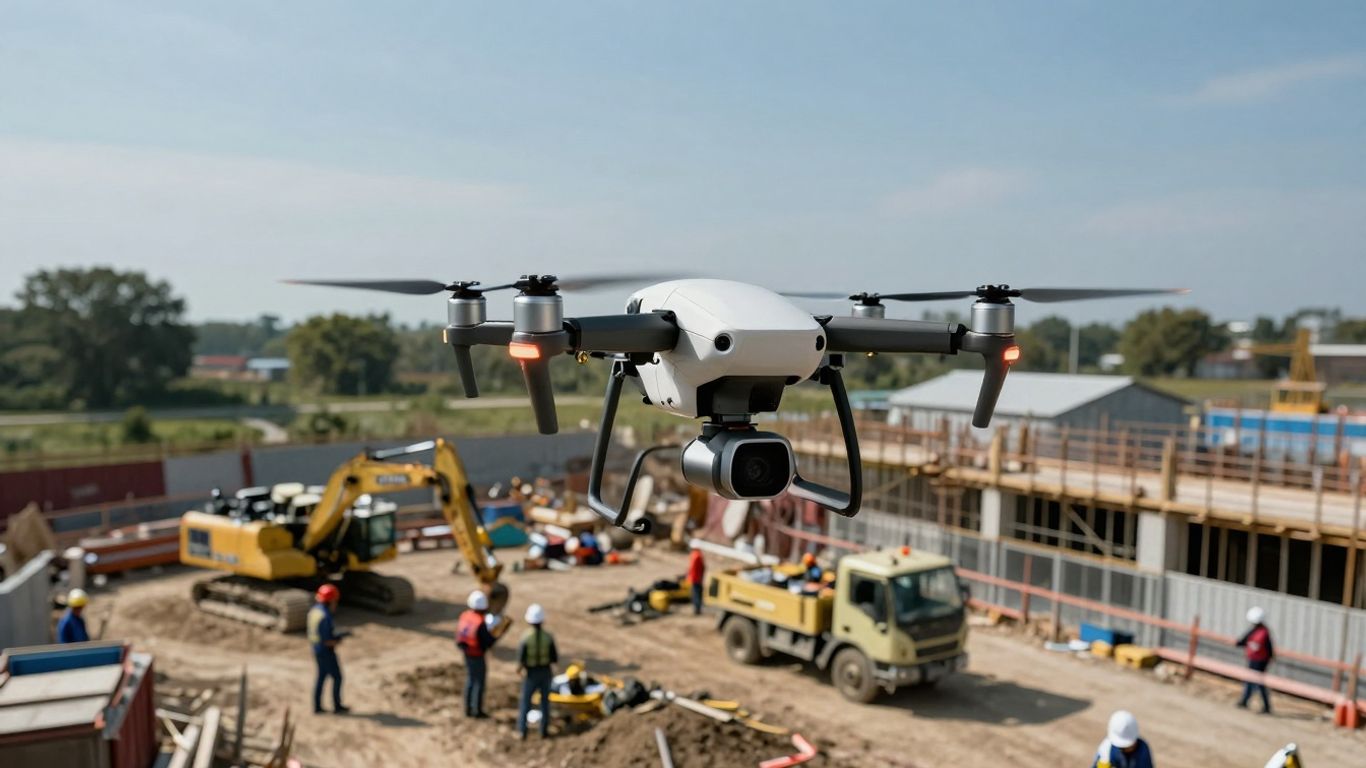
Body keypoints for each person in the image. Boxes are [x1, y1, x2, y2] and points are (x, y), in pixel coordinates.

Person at [516, 603, 558, 740]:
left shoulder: (526, 637)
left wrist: (519, 669)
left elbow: (521, 658)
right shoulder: (548, 637)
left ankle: (522, 730)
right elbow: (554, 657)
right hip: (545, 672)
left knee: (526, 702)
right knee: (545, 703)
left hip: (531, 673)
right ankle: (543, 730)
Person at [307, 584, 350, 714]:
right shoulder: (325, 616)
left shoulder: (314, 611)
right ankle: (337, 706)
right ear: (331, 600)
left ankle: (317, 706)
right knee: (337, 677)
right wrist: (338, 639)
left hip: (316, 648)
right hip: (326, 651)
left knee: (321, 677)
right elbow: (328, 641)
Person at [456, 589, 499, 718]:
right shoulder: (480, 622)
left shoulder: (465, 616)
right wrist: (496, 634)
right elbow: (488, 641)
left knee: (470, 680)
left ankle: (468, 708)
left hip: (466, 653)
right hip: (477, 654)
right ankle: (477, 710)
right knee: (479, 682)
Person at [1237, 606, 1275, 714]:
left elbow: (1268, 648)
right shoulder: (1261, 631)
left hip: (1259, 661)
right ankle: (1245, 701)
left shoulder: (1261, 632)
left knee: (1258, 683)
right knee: (1250, 681)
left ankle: (1266, 706)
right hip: (1256, 660)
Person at [687, 547, 706, 615]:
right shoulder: (699, 555)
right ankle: (698, 609)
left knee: (696, 594)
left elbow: (691, 567)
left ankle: (697, 610)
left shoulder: (695, 555)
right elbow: (703, 567)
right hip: (699, 578)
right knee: (698, 594)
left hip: (695, 578)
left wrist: (688, 575)